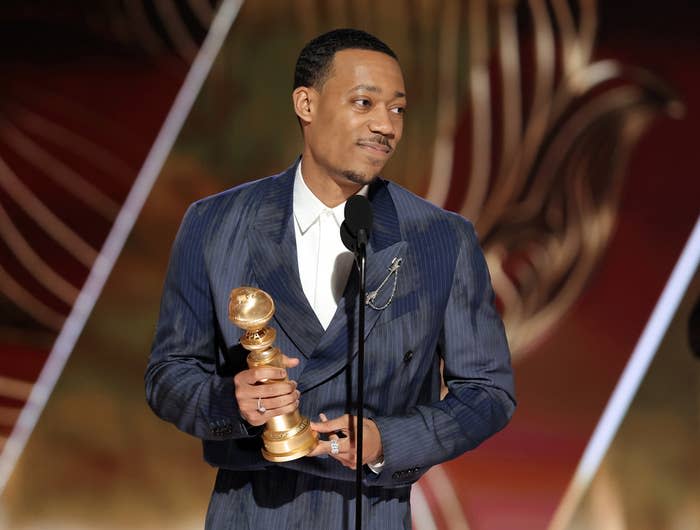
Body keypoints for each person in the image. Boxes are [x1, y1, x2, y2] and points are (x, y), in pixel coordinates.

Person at [145, 28, 515, 530]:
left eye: (398, 109)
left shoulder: (441, 239)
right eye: (365, 103)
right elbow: (168, 374)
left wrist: (389, 439)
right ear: (306, 103)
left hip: (372, 513)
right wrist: (230, 400)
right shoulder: (215, 224)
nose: (386, 125)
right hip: (248, 510)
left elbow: (488, 393)